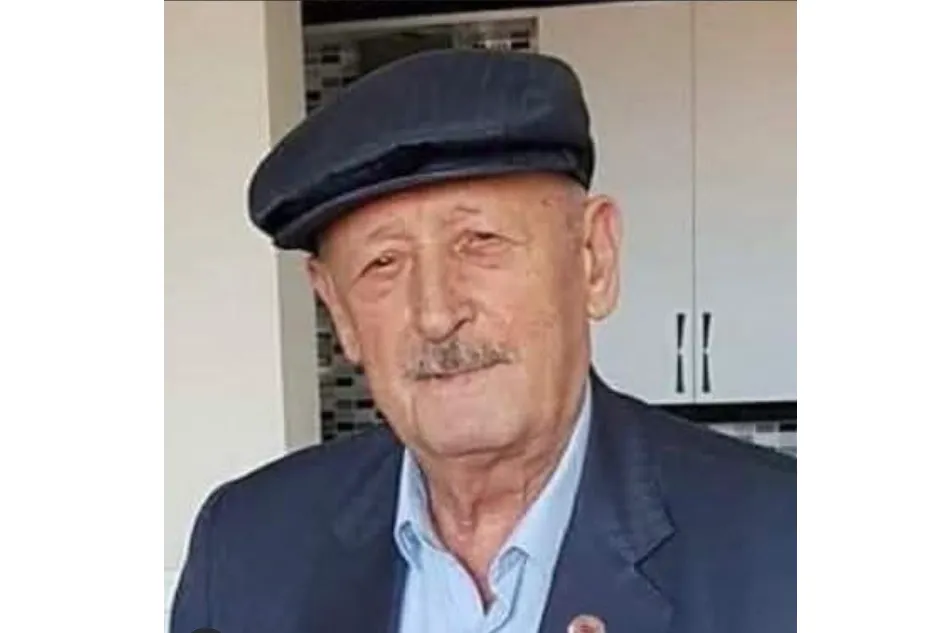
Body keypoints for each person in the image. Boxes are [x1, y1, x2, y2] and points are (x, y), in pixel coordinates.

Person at [170, 49, 795, 633]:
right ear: (338, 309)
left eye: (481, 243)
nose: (436, 314)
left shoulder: (786, 546)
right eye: (383, 263)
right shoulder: (245, 549)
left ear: (593, 259)